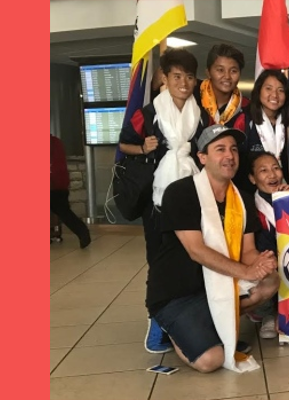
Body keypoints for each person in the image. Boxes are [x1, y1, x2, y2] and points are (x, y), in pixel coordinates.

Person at [149, 125, 279, 373]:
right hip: (179, 291)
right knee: (211, 361)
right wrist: (246, 272)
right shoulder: (181, 192)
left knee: (271, 281)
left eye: (233, 149)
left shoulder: (240, 197)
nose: (229, 156)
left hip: (218, 284)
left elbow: (248, 250)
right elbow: (196, 250)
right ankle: (171, 326)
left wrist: (260, 264)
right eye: (220, 149)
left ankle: (212, 325)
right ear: (202, 157)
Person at [117, 48, 204, 354]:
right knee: (160, 262)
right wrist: (142, 148)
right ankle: (157, 321)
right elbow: (123, 143)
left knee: (194, 259)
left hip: (193, 197)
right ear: (165, 78)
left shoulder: (200, 114)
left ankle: (191, 321)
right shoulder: (149, 113)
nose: (184, 82)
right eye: (177, 76)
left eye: (189, 77)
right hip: (156, 203)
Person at [248, 151, 289, 338]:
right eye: (263, 170)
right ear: (252, 179)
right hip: (265, 262)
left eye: (275, 168)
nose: (272, 175)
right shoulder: (248, 207)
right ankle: (267, 313)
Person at [196, 44, 251, 191]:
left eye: (233, 71)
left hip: (236, 186)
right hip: (195, 184)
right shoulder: (193, 100)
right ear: (208, 72)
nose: (227, 76)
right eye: (220, 70)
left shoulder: (248, 108)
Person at [245, 69, 289, 185]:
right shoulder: (244, 120)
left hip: (284, 189)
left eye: (280, 90)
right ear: (259, 90)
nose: (275, 95)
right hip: (249, 191)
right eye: (268, 88)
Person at [50, 135, 91, 248]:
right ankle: (83, 232)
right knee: (64, 212)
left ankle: (83, 232)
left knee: (63, 211)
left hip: (53, 184)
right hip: (58, 183)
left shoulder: (52, 143)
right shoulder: (55, 142)